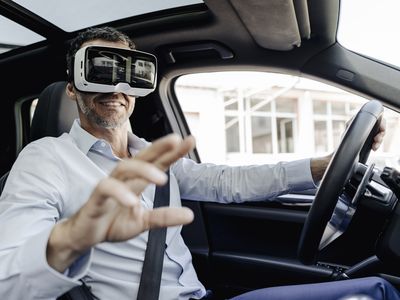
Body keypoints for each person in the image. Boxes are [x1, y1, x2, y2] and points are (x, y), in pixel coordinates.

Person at [0, 26, 393, 300]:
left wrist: (319, 167)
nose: (116, 87)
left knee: (376, 291)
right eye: (101, 71)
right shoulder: (44, 160)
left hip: (203, 295)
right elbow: (8, 283)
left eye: (129, 74)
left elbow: (226, 182)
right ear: (73, 87)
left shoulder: (155, 157)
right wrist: (71, 238)